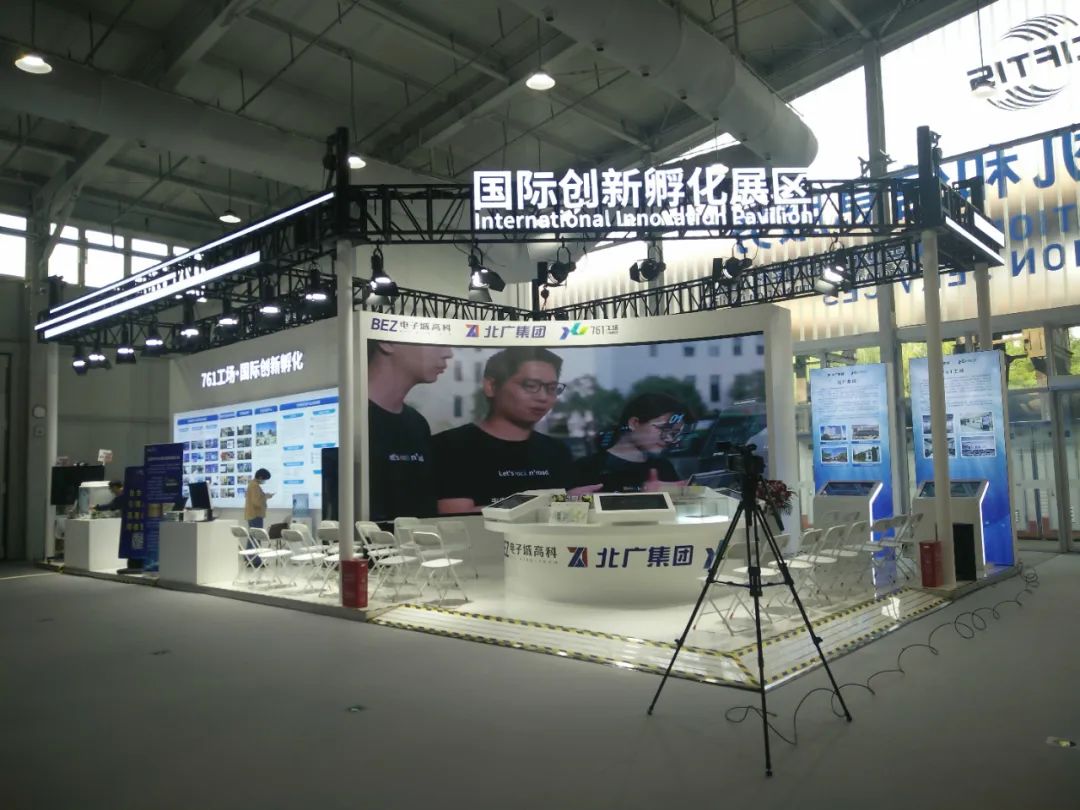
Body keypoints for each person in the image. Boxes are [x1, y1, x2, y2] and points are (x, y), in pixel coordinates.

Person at [432, 347, 575, 514]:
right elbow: (458, 516)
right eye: (530, 386)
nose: (543, 397)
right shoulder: (450, 447)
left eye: (551, 388)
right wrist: (554, 502)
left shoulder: (557, 452)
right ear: (491, 386)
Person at [367, 341, 453, 521]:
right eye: (435, 341)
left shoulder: (417, 424)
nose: (448, 353)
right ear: (387, 342)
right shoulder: (348, 417)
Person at [572, 393, 690, 492]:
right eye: (663, 429)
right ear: (634, 423)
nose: (668, 438)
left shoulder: (663, 467)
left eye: (673, 433)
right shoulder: (587, 468)